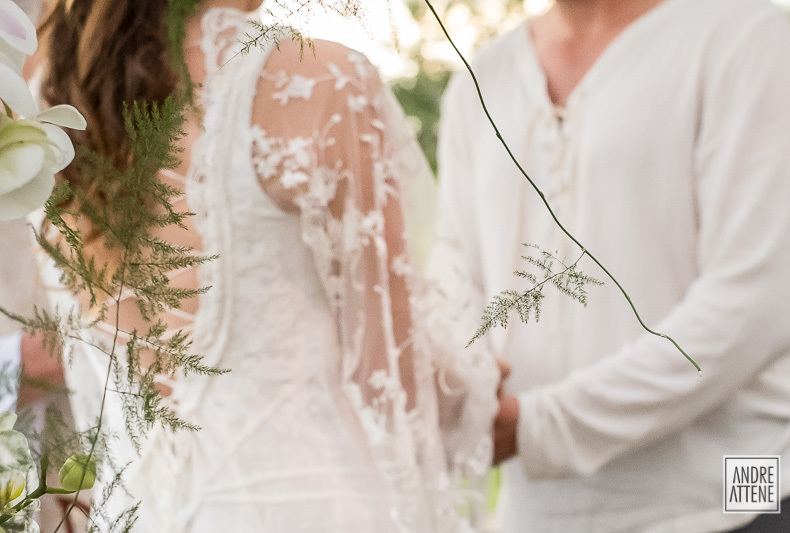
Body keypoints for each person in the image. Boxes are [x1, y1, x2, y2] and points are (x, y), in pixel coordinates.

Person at [23, 0, 500, 531]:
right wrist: (474, 388)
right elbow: (393, 382)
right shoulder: (319, 80)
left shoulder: (50, 98)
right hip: (307, 505)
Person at [435, 0, 790, 531]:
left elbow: (760, 299)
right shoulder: (480, 81)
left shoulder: (742, 36)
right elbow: (453, 280)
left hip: (732, 499)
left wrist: (539, 426)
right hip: (538, 513)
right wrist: (463, 387)